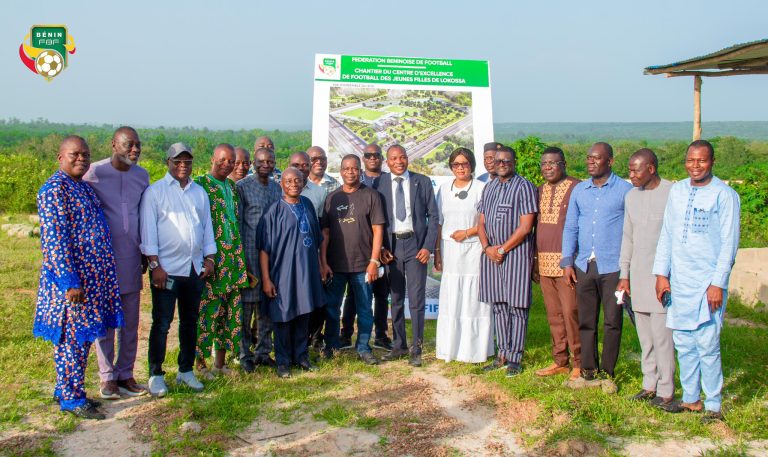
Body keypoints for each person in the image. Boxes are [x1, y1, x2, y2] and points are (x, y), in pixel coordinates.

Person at [35, 136, 123, 419]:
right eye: (74, 154)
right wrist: (70, 282)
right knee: (71, 341)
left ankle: (70, 390)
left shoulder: (83, 188)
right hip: (72, 285)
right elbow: (55, 241)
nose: (81, 159)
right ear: (60, 157)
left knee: (82, 341)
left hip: (91, 282)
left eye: (85, 154)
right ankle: (71, 398)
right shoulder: (53, 190)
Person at [653, 140, 740, 423]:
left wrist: (718, 283)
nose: (695, 166)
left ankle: (713, 403)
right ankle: (691, 399)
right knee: (683, 342)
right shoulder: (677, 191)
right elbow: (666, 234)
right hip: (679, 280)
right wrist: (661, 274)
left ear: (712, 162)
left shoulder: (724, 195)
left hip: (707, 283)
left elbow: (729, 243)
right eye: (691, 160)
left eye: (701, 161)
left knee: (707, 342)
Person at [140, 142, 216, 397]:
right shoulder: (155, 192)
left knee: (190, 321)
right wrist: (155, 265)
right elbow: (148, 232)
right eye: (177, 161)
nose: (183, 166)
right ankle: (156, 374)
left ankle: (185, 371)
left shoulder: (198, 192)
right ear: (168, 163)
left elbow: (206, 227)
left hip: (194, 269)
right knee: (162, 323)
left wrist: (210, 259)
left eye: (187, 162)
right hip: (167, 271)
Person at [83, 126, 149, 399]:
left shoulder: (142, 176)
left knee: (131, 321)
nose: (134, 150)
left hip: (132, 257)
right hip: (104, 262)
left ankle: (126, 374)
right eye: (128, 145)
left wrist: (147, 253)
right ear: (113, 145)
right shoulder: (94, 174)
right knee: (107, 320)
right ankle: (107, 377)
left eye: (137, 145)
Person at [561, 142, 632, 388]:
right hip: (584, 265)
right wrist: (567, 261)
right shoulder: (580, 190)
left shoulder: (625, 190)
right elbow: (570, 227)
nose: (591, 162)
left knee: (613, 320)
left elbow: (631, 230)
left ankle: (608, 372)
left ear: (610, 161)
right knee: (587, 319)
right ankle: (589, 370)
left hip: (613, 266)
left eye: (597, 158)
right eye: (588, 158)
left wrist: (628, 268)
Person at [616, 149, 676, 407]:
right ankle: (648, 384)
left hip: (661, 278)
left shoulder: (673, 193)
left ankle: (666, 389)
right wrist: (624, 275)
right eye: (629, 170)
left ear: (651, 168)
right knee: (645, 337)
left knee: (662, 337)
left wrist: (668, 276)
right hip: (637, 277)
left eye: (635, 170)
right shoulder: (631, 196)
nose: (631, 175)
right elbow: (627, 237)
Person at [258, 167, 324, 378]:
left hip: (306, 271)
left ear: (303, 183)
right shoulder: (273, 211)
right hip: (282, 273)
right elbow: (264, 250)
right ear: (282, 185)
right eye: (289, 181)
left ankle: (301, 357)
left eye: (297, 180)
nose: (294, 184)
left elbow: (317, 240)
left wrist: (321, 265)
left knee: (304, 313)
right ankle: (283, 362)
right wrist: (266, 279)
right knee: (283, 316)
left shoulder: (308, 205)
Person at [319, 154, 385, 365]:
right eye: (346, 168)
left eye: (354, 168)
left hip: (362, 265)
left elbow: (378, 230)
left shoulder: (371, 196)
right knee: (332, 308)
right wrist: (323, 263)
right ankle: (331, 345)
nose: (350, 172)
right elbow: (325, 234)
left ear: (360, 170)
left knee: (365, 308)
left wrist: (374, 262)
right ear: (341, 171)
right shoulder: (333, 198)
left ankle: (364, 347)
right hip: (335, 265)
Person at [478, 146, 538, 376]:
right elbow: (481, 222)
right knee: (499, 305)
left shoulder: (524, 187)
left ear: (514, 162)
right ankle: (502, 353)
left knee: (517, 306)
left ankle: (515, 358)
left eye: (506, 161)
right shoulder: (490, 187)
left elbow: (525, 227)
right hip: (491, 255)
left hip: (515, 256)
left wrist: (502, 249)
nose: (501, 164)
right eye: (498, 160)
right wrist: (487, 248)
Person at [377, 145, 439, 367]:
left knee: (417, 299)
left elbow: (433, 216)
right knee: (395, 298)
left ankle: (417, 347)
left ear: (407, 159)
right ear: (388, 161)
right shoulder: (380, 183)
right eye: (394, 158)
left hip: (416, 246)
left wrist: (427, 247)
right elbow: (376, 220)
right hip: (392, 248)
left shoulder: (421, 182)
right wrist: (382, 248)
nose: (399, 161)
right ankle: (399, 345)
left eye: (402, 157)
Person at [433, 148, 493, 363]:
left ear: (472, 166)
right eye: (456, 164)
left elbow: (486, 222)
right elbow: (438, 222)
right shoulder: (443, 189)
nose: (460, 168)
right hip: (450, 251)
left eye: (465, 164)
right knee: (453, 298)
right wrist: (437, 251)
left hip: (474, 249)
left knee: (473, 299)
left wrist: (467, 233)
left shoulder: (481, 188)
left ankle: (473, 351)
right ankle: (450, 349)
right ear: (451, 167)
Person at [194, 144, 247, 378]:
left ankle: (220, 363)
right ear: (212, 159)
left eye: (231, 161)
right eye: (223, 160)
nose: (227, 164)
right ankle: (200, 365)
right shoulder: (199, 186)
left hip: (233, 261)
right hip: (211, 262)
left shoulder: (233, 188)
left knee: (230, 313)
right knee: (207, 313)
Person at [533, 147, 582, 381]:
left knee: (571, 312)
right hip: (544, 263)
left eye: (553, 163)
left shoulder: (576, 188)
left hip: (567, 265)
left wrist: (572, 260)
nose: (548, 167)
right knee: (554, 314)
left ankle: (580, 362)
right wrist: (534, 261)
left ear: (563, 164)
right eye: (544, 164)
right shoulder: (539, 190)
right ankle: (560, 360)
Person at [341, 143, 392, 350]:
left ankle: (380, 334)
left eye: (376, 155)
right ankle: (346, 334)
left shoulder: (388, 180)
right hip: (362, 251)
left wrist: (382, 248)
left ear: (381, 158)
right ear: (364, 159)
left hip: (386, 248)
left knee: (381, 293)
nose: (373, 158)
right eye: (368, 155)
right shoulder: (355, 183)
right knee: (354, 294)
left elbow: (382, 223)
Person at [237, 147, 283, 372]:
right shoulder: (242, 187)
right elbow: (237, 224)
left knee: (267, 306)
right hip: (249, 254)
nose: (266, 165)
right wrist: (240, 261)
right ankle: (244, 353)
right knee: (246, 308)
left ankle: (263, 351)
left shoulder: (277, 188)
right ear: (254, 163)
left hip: (272, 256)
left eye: (270, 161)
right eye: (261, 161)